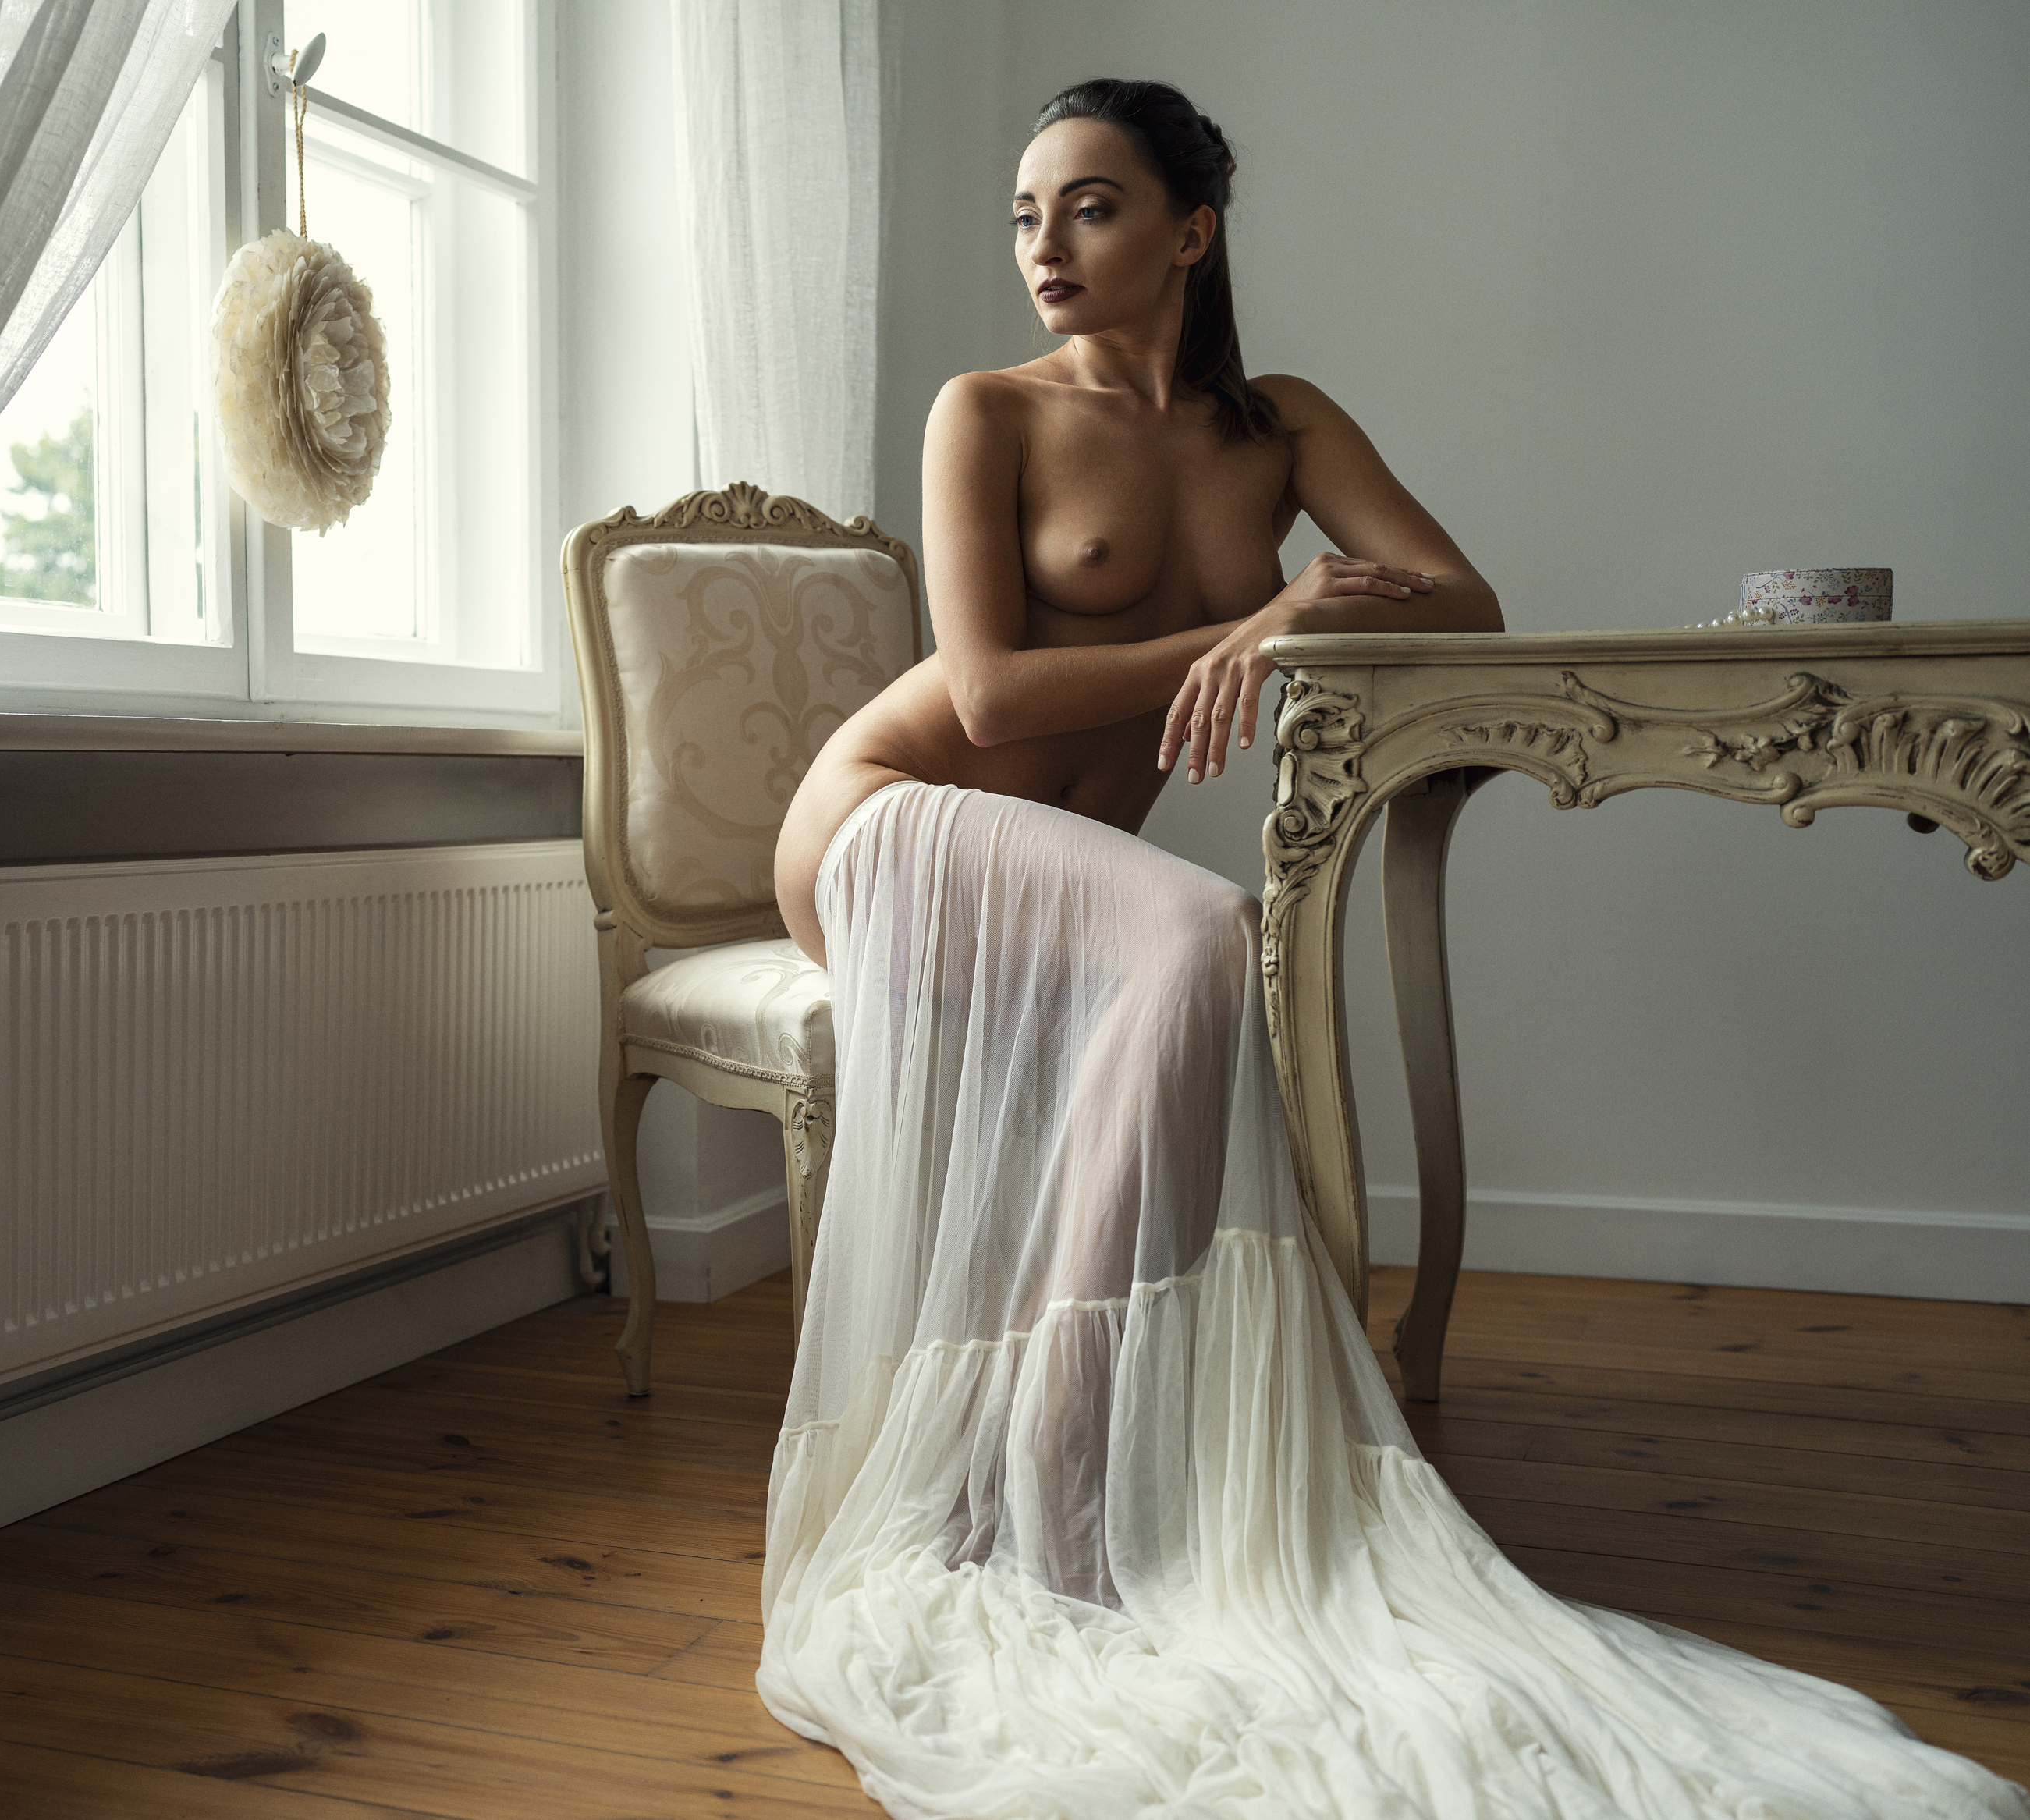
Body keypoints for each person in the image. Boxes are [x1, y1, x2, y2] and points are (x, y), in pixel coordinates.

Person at [754, 77, 2027, 1820]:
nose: (1045, 244)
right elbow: (981, 694)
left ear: (1191, 230)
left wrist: (1283, 608)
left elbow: (1455, 596)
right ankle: (1050, 1461)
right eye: (1027, 216)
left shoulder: (1275, 426)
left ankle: (1057, 1464)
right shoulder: (986, 410)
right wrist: (1259, 616)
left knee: (1191, 975)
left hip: (1052, 877)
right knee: (1212, 934)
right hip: (887, 823)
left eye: (1093, 206)